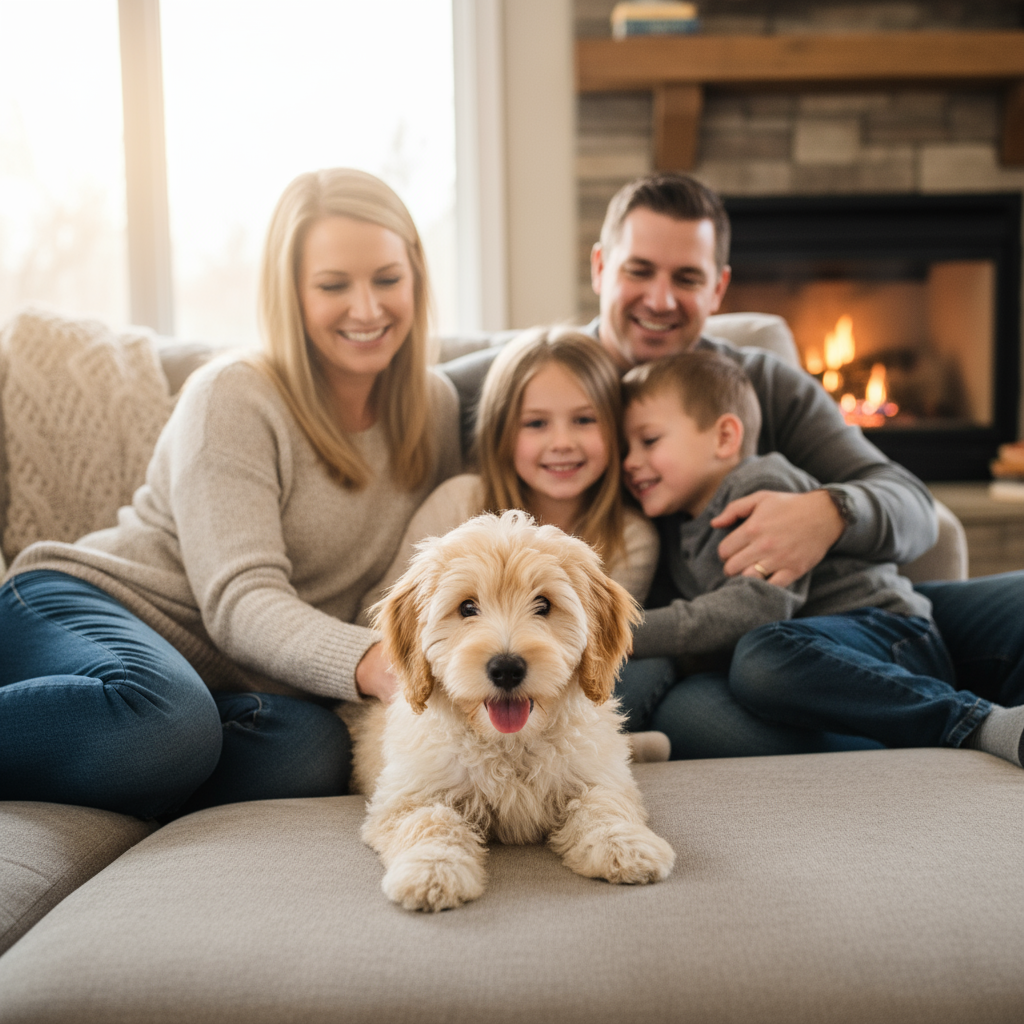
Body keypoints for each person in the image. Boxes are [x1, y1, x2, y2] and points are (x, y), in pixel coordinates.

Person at [441, 171, 1024, 758]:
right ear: (600, 268)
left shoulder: (760, 383)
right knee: (717, 705)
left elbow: (913, 506)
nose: (660, 299)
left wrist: (829, 513)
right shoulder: (542, 376)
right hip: (727, 662)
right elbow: (435, 388)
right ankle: (937, 733)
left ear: (718, 288)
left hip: (847, 621)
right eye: (639, 270)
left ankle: (963, 729)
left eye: (686, 278)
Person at [0, 168, 461, 818]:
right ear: (291, 293)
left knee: (312, 754)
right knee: (164, 721)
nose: (367, 308)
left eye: (387, 279)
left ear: (416, 276)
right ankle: (144, 742)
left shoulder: (434, 408)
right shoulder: (235, 394)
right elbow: (241, 603)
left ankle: (136, 761)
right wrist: (379, 662)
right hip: (89, 603)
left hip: (218, 684)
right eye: (334, 285)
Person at [618, 349, 1024, 767]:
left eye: (649, 441)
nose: (630, 462)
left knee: (763, 656)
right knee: (752, 669)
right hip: (827, 668)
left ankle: (976, 722)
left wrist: (622, 631)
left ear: (725, 437)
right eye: (625, 447)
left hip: (887, 635)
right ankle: (903, 754)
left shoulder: (762, 483)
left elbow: (754, 608)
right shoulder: (676, 525)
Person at [361, 326, 658, 613]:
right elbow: (384, 617)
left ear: (617, 429)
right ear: (500, 433)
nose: (562, 443)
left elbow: (599, 642)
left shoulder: (629, 538)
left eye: (584, 420)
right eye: (536, 423)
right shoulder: (457, 503)